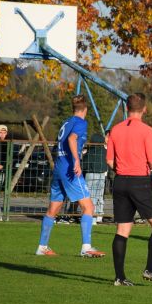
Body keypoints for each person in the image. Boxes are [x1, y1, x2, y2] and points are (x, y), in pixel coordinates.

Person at [106, 93, 152, 286]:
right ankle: (150, 269)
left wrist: (123, 170)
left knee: (123, 229)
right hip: (139, 182)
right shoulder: (146, 130)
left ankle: (119, 277)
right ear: (145, 108)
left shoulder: (115, 130)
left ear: (127, 108)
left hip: (119, 182)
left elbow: (109, 160)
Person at [35, 95, 105, 257]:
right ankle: (86, 247)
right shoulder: (81, 122)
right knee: (88, 207)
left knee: (54, 208)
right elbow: (73, 139)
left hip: (59, 167)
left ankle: (42, 246)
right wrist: (76, 161)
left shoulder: (66, 122)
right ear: (85, 110)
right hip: (69, 168)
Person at [82, 131, 109, 224]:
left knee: (90, 197)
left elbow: (84, 164)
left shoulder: (90, 152)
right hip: (102, 175)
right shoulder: (105, 151)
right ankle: (98, 217)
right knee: (99, 196)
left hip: (90, 174)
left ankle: (91, 218)